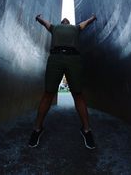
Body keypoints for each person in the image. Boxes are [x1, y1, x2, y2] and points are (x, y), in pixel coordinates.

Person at [28, 14, 97, 149]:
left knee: (78, 94)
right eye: (63, 19)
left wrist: (92, 18)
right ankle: (37, 129)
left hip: (74, 59)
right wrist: (39, 18)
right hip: (56, 58)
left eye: (67, 19)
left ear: (69, 23)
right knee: (48, 93)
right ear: (61, 23)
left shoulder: (75, 28)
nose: (65, 19)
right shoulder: (55, 28)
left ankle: (86, 130)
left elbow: (84, 23)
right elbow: (46, 23)